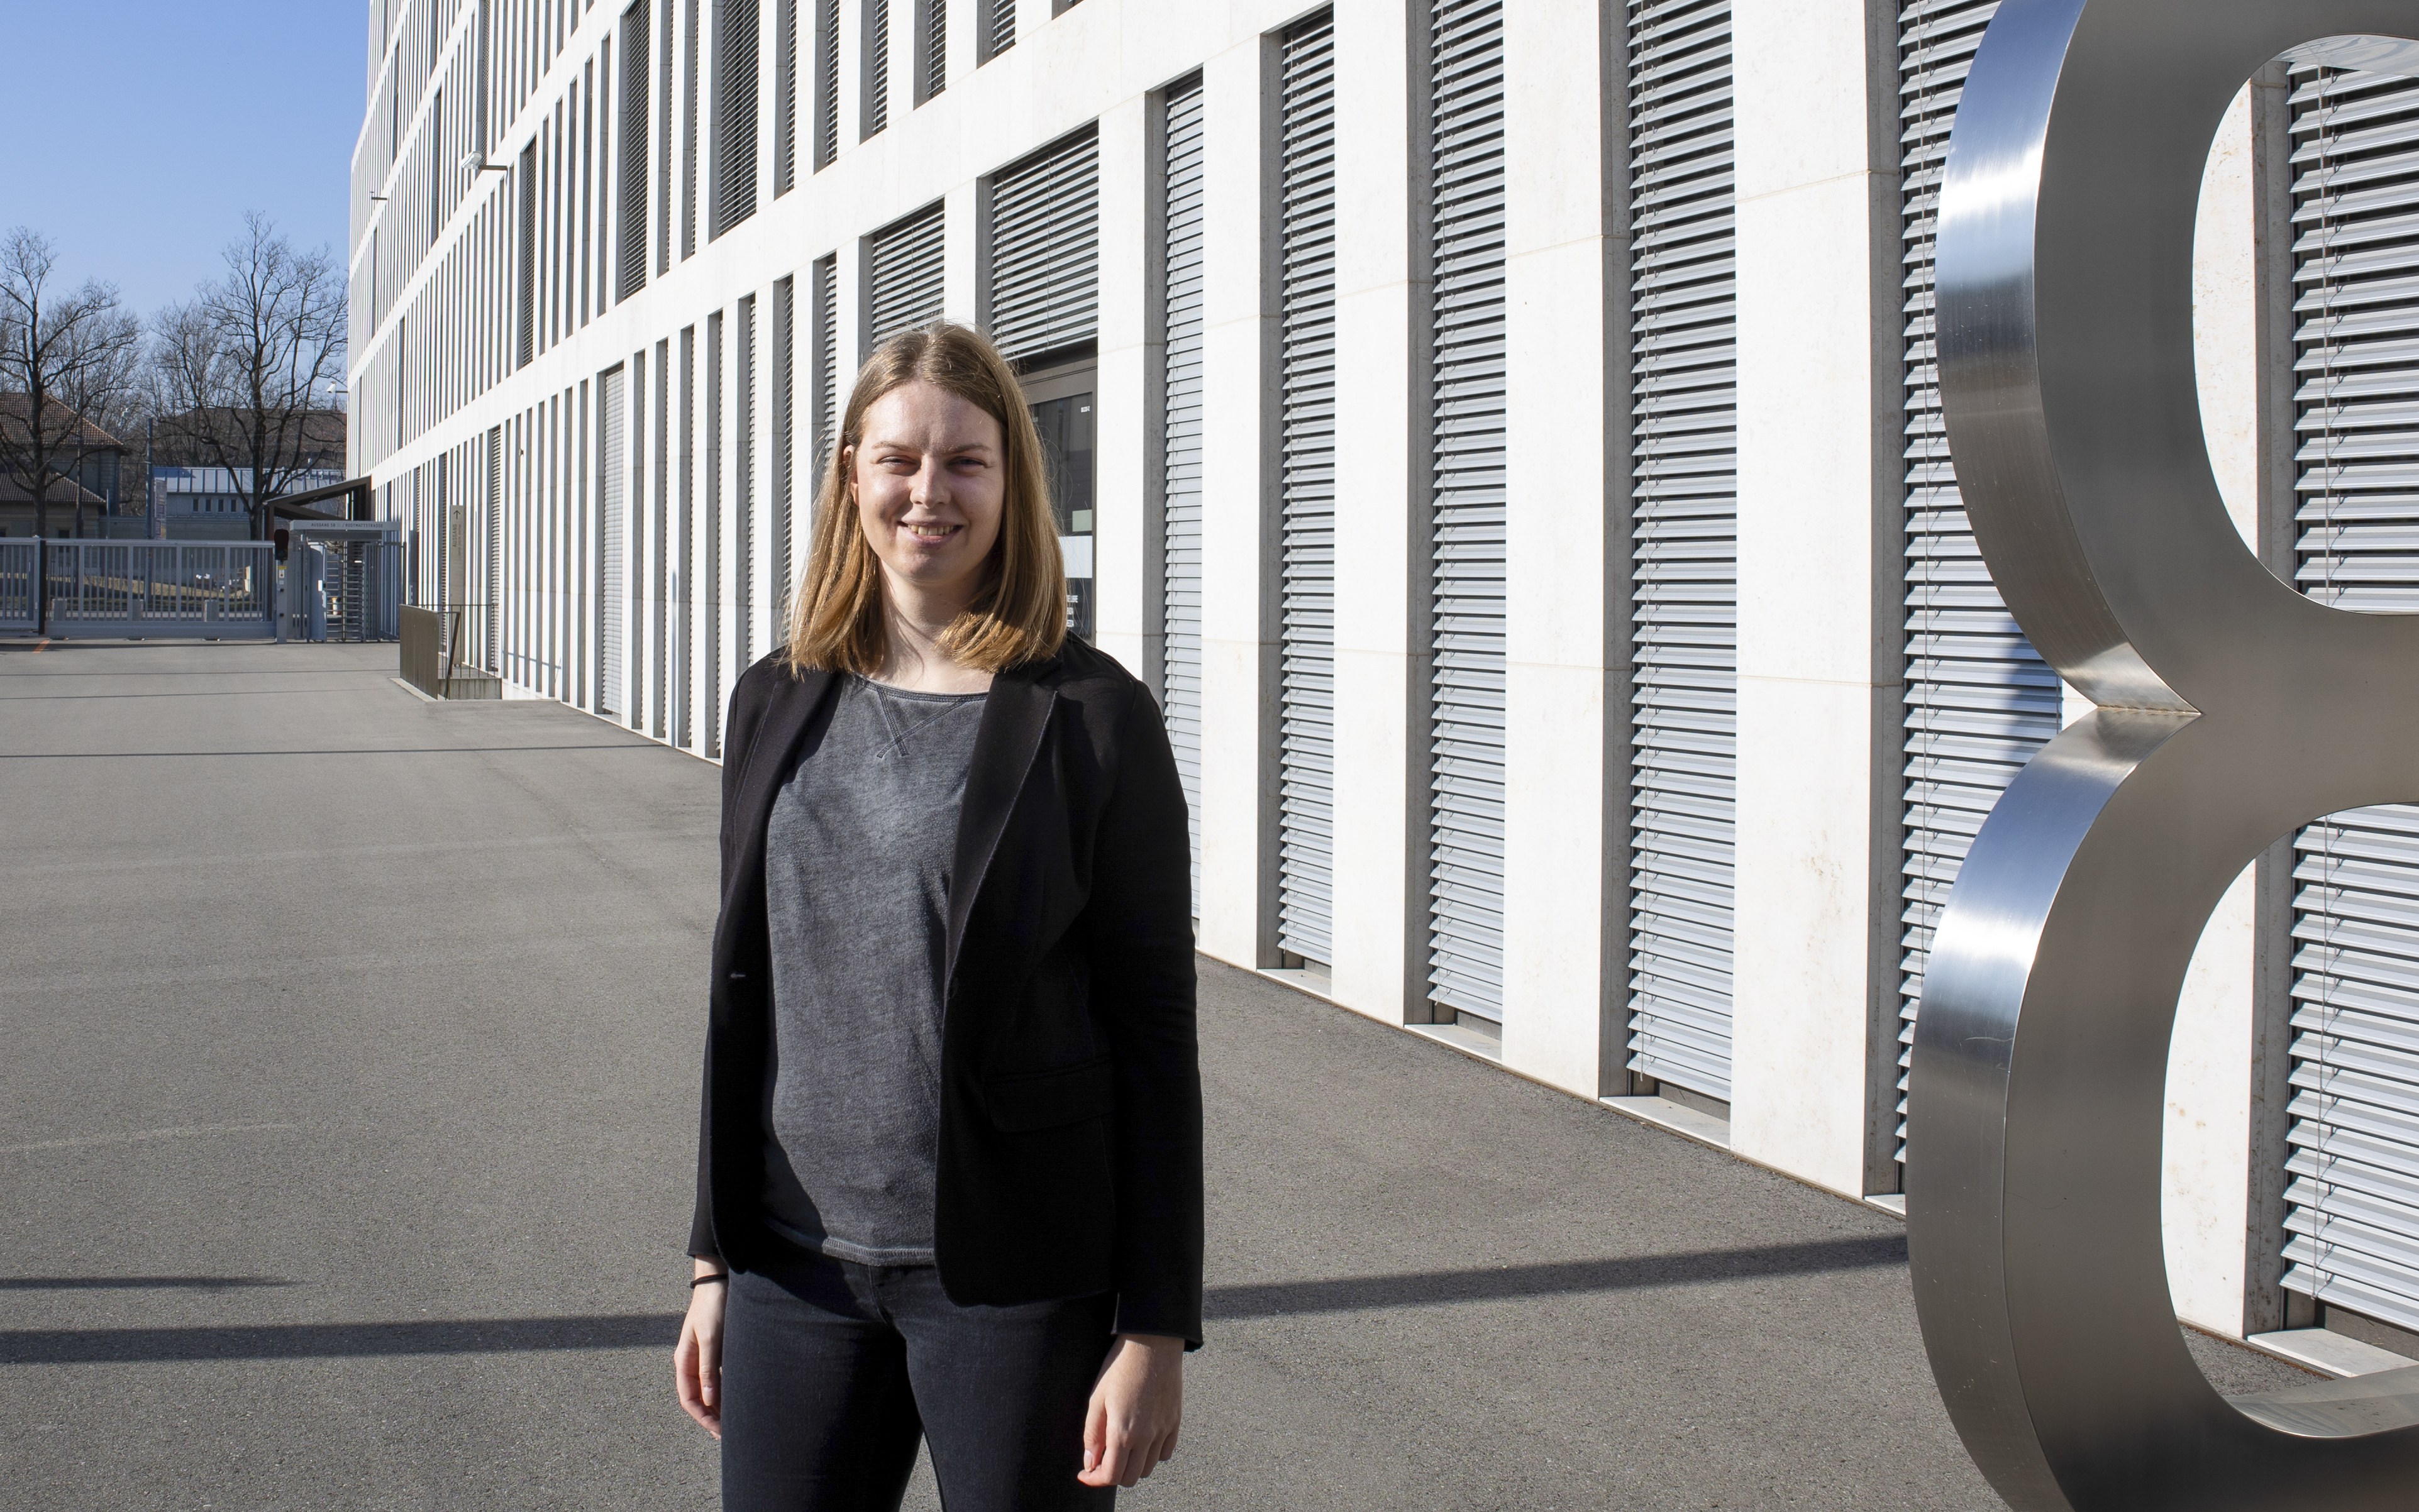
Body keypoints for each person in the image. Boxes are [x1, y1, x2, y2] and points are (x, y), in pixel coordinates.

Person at [672, 321, 1203, 1512]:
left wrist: (1156, 1325)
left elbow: (1156, 1032)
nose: (930, 492)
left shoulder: (1093, 717)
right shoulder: (774, 697)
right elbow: (743, 992)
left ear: (1012, 482)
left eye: (967, 461)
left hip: (1014, 1279)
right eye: (900, 459)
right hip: (794, 1264)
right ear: (851, 473)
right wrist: (714, 1257)